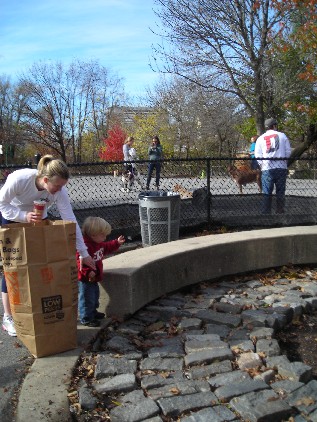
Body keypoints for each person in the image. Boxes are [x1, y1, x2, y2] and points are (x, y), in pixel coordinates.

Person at [0, 155, 96, 336]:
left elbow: (70, 219)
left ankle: (36, 309)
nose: (60, 190)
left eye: (62, 186)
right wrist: (24, 217)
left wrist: (83, 252)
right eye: (58, 185)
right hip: (11, 216)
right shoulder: (19, 179)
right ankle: (8, 316)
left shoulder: (59, 191)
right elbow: (2, 203)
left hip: (38, 219)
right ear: (45, 180)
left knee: (39, 264)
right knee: (12, 268)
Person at [76, 216, 125, 327]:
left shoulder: (98, 243)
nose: (105, 237)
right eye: (103, 235)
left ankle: (92, 312)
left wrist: (116, 243)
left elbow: (107, 247)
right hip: (86, 279)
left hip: (94, 278)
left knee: (94, 296)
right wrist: (88, 272)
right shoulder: (85, 247)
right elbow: (79, 262)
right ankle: (86, 317)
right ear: (93, 235)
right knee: (86, 298)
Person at [255, 118, 292, 214]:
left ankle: (266, 213)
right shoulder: (282, 136)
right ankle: (280, 212)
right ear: (274, 126)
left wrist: (262, 164)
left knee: (267, 192)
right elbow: (288, 151)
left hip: (267, 167)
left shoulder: (260, 138)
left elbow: (257, 154)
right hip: (281, 167)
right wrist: (284, 161)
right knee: (280, 191)